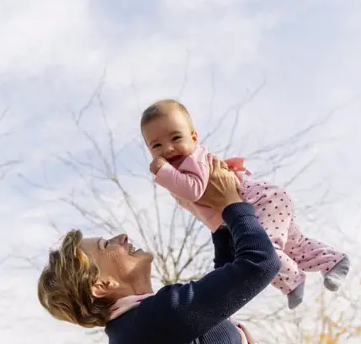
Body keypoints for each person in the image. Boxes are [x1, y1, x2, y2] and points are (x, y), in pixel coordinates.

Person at [37, 156, 288, 344]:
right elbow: (260, 264)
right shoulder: (150, 322)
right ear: (102, 285)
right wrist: (233, 205)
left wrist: (218, 219)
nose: (121, 237)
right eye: (106, 245)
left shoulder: (140, 325)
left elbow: (225, 286)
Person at [142, 99, 350, 309]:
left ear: (194, 138)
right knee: (294, 245)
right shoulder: (179, 171)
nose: (168, 149)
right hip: (262, 203)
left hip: (260, 201)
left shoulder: (193, 161)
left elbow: (194, 190)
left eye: (176, 138)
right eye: (156, 145)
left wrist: (162, 171)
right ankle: (333, 261)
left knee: (264, 246)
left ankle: (293, 280)